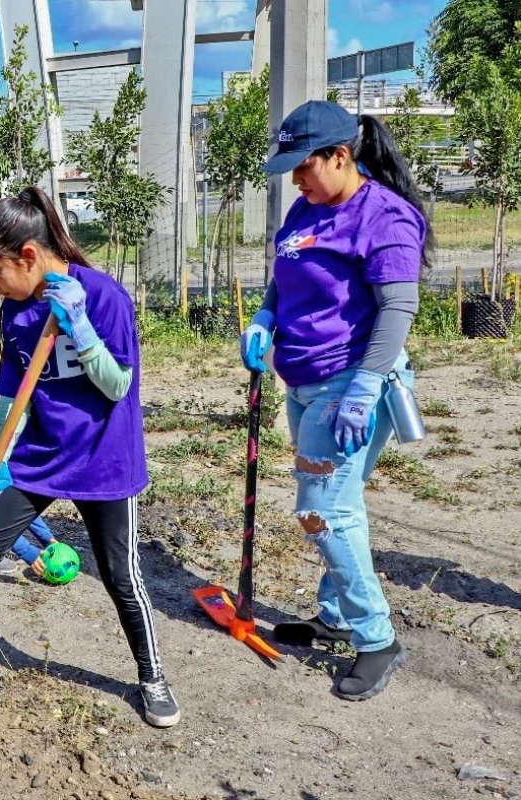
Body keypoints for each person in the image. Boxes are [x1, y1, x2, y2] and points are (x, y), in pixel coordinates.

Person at [0, 187, 180, 729]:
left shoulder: (102, 297)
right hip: (40, 456)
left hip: (105, 458)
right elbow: (13, 398)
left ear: (28, 256)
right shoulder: (14, 311)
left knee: (119, 573)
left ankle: (151, 675)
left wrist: (79, 328)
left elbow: (117, 385)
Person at [242, 100, 432, 700]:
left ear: (340, 156)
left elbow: (398, 307)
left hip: (347, 386)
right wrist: (265, 317)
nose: (295, 178)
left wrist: (365, 387)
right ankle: (339, 615)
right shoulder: (308, 207)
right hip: (302, 384)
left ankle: (377, 639)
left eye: (303, 166)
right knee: (338, 505)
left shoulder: (386, 218)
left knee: (321, 512)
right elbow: (285, 271)